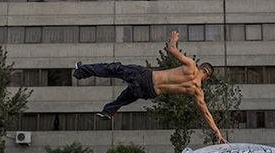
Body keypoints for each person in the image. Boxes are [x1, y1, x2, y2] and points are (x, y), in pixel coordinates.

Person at [73, 31, 228, 144]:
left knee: (115, 69)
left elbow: (171, 50)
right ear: (207, 77)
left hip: (146, 77)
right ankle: (108, 111)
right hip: (149, 92)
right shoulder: (197, 91)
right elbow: (206, 114)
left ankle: (82, 71)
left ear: (201, 67)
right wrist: (217, 133)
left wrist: (173, 39)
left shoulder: (191, 66)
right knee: (127, 96)